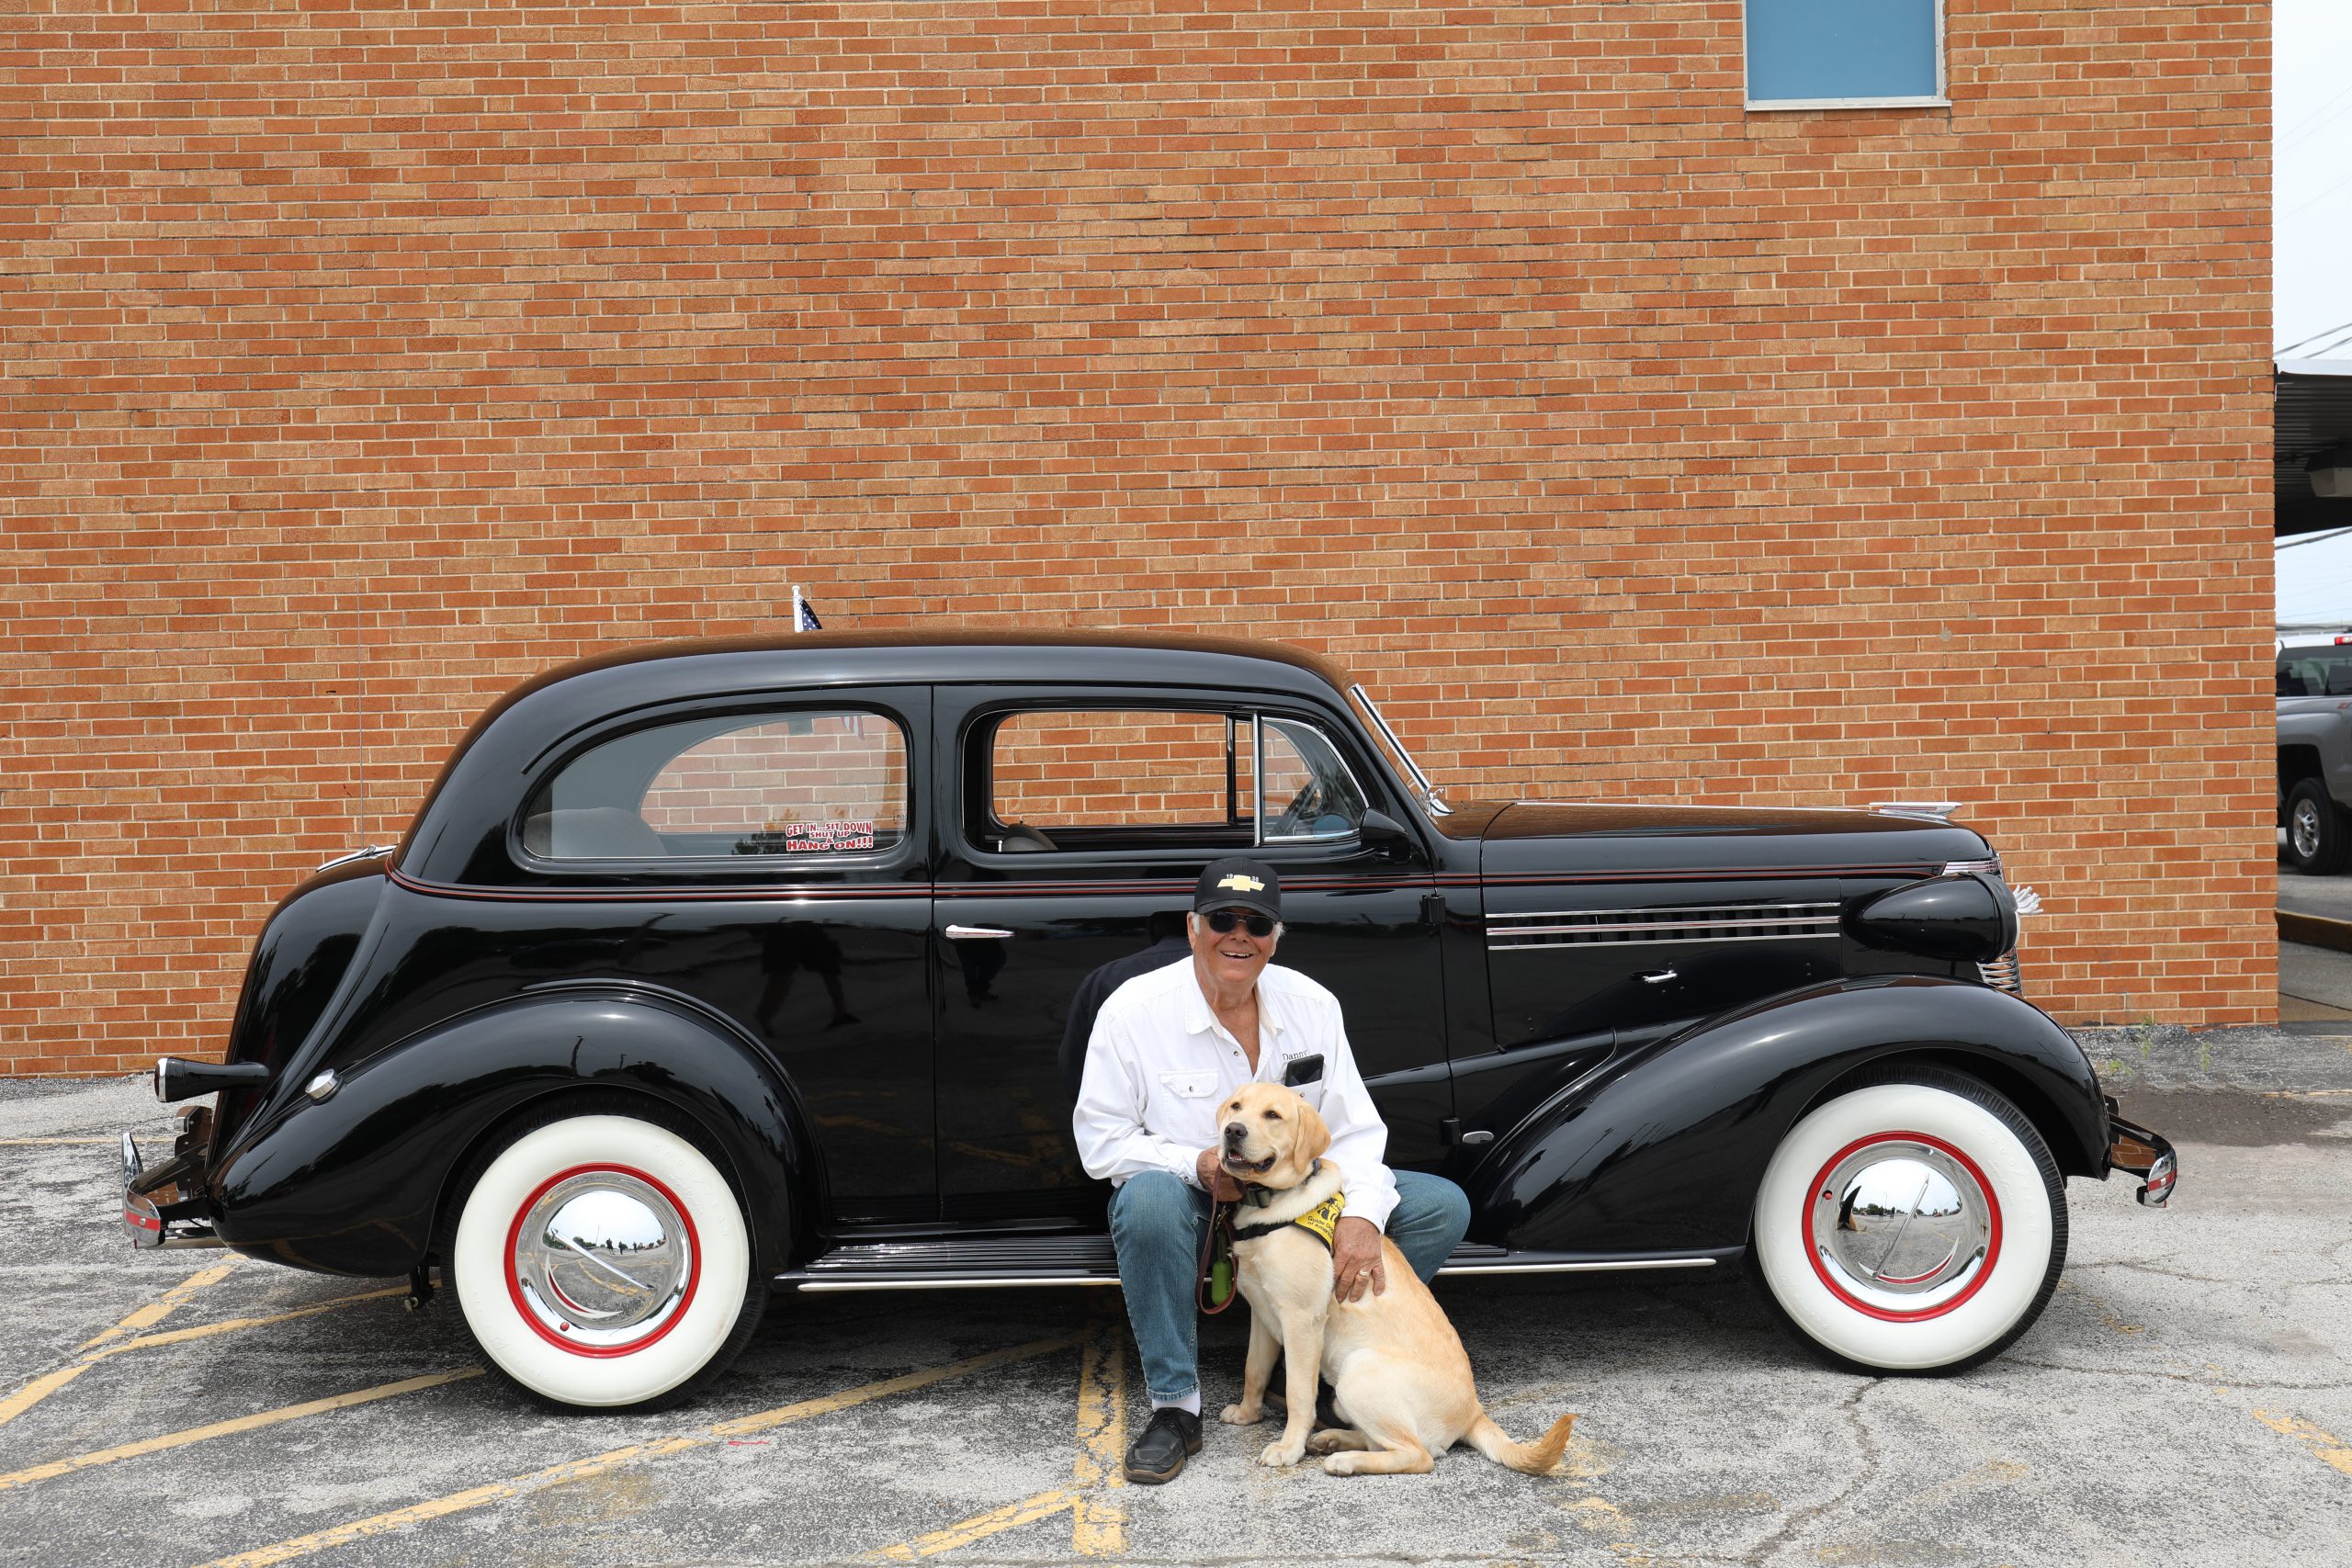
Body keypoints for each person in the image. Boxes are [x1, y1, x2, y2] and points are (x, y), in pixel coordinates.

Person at [1070, 857, 1473, 1483]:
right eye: (1222, 919)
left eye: (1256, 922)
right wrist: (1198, 1164)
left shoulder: (1312, 1004)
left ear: (1275, 936)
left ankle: (1303, 1362)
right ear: (1193, 927)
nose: (1239, 934)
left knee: (1441, 1204)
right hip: (1193, 1199)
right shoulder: (1133, 1011)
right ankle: (1176, 1407)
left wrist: (1361, 1217)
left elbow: (1359, 1132)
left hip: (1293, 1206)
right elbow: (1101, 1141)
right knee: (1146, 1202)